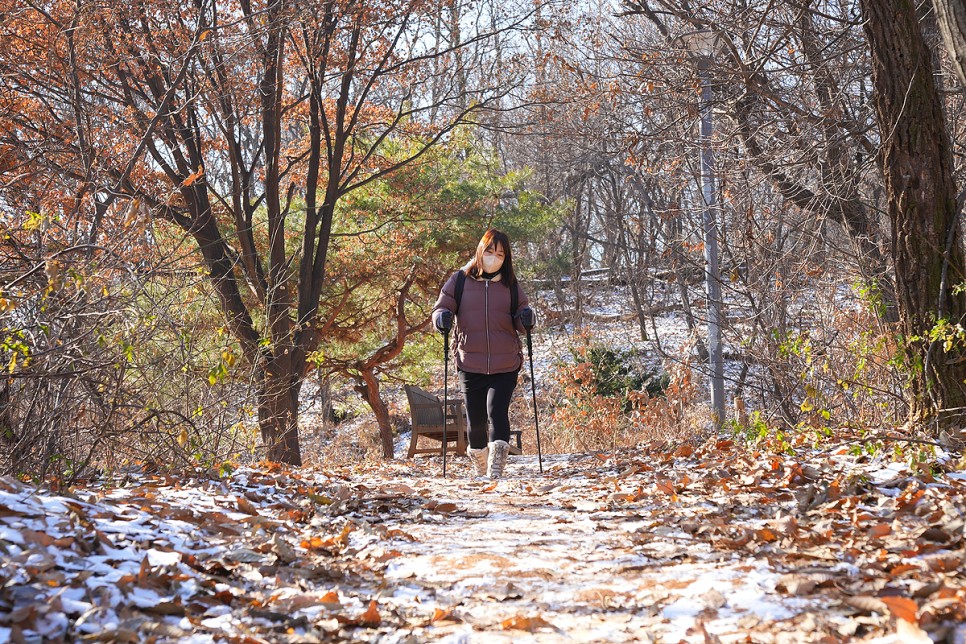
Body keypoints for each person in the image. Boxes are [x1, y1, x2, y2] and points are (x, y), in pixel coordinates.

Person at [432, 229, 535, 479]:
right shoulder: (459, 281)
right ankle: (479, 459)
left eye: (500, 253)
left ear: (506, 257)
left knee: (496, 411)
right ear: (480, 250)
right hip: (470, 361)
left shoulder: (510, 285)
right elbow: (441, 307)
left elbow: (524, 316)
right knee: (476, 421)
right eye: (490, 251)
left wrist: (527, 318)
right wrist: (441, 319)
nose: (494, 257)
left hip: (505, 361)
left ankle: (496, 467)